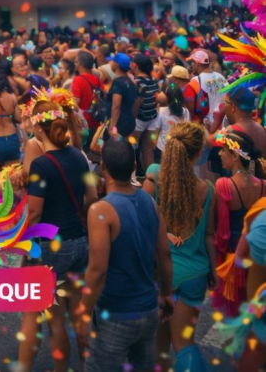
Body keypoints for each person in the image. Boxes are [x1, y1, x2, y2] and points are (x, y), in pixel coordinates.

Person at [80, 138, 174, 372]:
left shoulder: (101, 210)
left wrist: (82, 314)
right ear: (134, 166)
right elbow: (164, 254)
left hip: (116, 314)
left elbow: (97, 271)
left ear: (103, 167)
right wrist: (166, 294)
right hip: (149, 310)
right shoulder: (150, 202)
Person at [18, 100, 96, 372]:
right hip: (80, 242)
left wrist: (18, 241)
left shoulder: (41, 165)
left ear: (40, 128)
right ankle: (88, 365)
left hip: (53, 247)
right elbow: (92, 198)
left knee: (55, 319)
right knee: (78, 313)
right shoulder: (78, 156)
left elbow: (34, 213)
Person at [144, 122, 216, 372]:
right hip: (195, 274)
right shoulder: (207, 190)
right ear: (199, 153)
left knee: (160, 346)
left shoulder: (154, 176)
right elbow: (209, 236)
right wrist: (214, 271)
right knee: (184, 343)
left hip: (160, 273)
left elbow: (144, 226)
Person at [212, 129, 266, 316]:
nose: (220, 154)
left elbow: (221, 232)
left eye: (223, 150)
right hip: (258, 257)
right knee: (254, 309)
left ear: (235, 156)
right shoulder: (263, 185)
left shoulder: (224, 185)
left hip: (234, 260)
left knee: (235, 314)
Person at [106, 52, 139, 139]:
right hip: (130, 121)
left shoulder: (118, 83)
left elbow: (116, 105)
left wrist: (112, 127)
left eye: (112, 61)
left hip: (119, 124)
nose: (110, 63)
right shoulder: (130, 82)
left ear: (116, 64)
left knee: (116, 146)